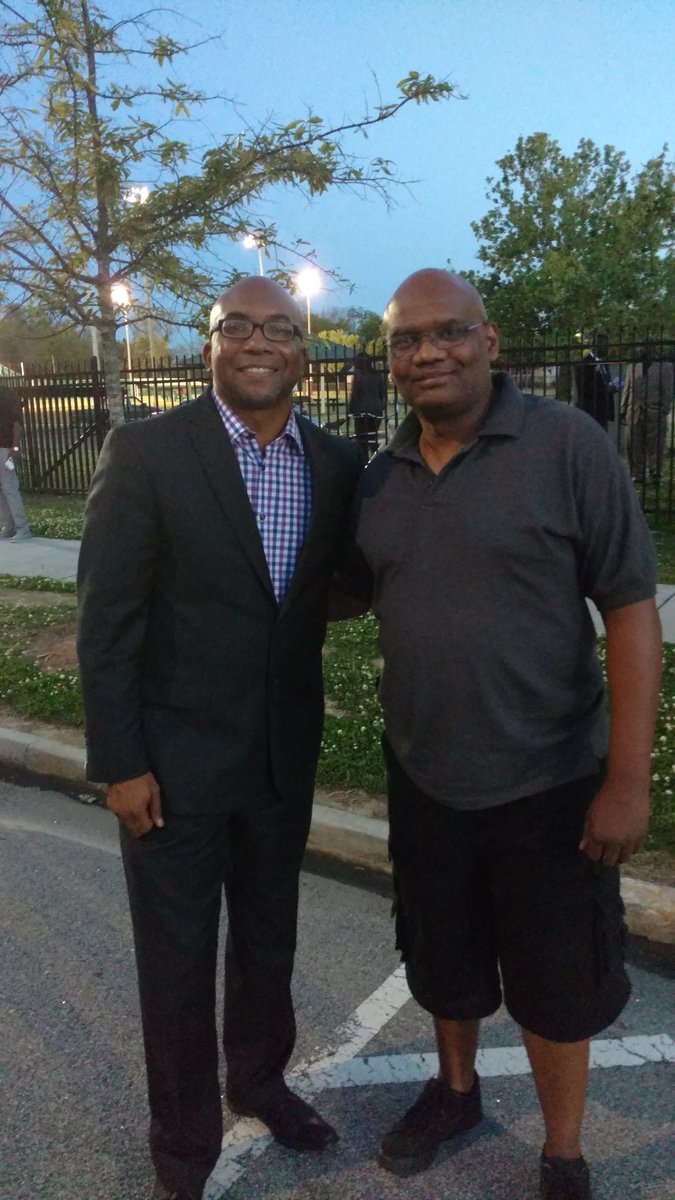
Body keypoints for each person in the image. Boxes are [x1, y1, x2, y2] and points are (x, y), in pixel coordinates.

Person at [338, 270, 661, 1200]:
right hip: (424, 773)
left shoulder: (567, 445)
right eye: (406, 340)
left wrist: (626, 780)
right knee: (442, 960)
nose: (427, 353)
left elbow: (631, 611)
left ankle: (562, 1151)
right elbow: (341, 594)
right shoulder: (381, 475)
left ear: (489, 341)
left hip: (549, 779)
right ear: (390, 360)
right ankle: (454, 1091)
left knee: (557, 980)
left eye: (448, 332)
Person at [77, 277, 362, 1200]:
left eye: (279, 328)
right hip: (171, 766)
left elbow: (342, 581)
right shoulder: (149, 451)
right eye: (236, 325)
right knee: (176, 963)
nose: (257, 341)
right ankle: (183, 1146)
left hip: (280, 757)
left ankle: (260, 1082)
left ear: (303, 353)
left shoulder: (335, 460)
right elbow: (107, 620)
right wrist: (120, 761)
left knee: (269, 942)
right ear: (208, 345)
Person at [622, 336, 675, 484]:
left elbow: (667, 391)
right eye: (641, 347)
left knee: (655, 445)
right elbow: (627, 389)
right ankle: (637, 474)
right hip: (634, 412)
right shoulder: (633, 367)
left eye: (644, 347)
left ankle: (655, 473)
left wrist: (663, 409)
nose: (641, 350)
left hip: (655, 412)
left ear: (652, 348)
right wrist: (623, 409)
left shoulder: (664, 367)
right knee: (634, 445)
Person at [0, 385, 32, 541]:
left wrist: (15, 446)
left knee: (9, 487)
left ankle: (22, 528)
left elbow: (17, 424)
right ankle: (9, 526)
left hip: (5, 448)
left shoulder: (7, 394)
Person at [573, 331, 616, 430]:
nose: (607, 348)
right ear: (596, 346)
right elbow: (584, 389)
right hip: (591, 414)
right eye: (605, 345)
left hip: (603, 413)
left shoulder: (603, 363)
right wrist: (606, 389)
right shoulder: (584, 364)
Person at [348, 350, 386, 457]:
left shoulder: (358, 376)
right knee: (372, 438)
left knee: (361, 440)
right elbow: (382, 393)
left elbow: (355, 395)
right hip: (376, 410)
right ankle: (376, 459)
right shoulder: (377, 375)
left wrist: (350, 411)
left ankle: (363, 461)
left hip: (361, 411)